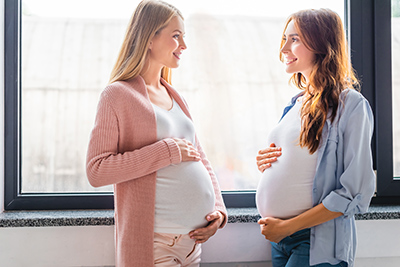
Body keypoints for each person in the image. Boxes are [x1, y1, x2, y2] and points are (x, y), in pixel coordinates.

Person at [86, 1, 227, 266]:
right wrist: (166, 152)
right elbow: (97, 170)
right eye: (176, 36)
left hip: (191, 244)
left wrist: (218, 210)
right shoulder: (117, 95)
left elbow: (201, 159)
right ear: (150, 38)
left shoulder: (175, 96)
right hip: (155, 244)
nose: (184, 45)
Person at [255, 8, 375, 267]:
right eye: (284, 39)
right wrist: (267, 163)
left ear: (321, 43)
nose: (284, 48)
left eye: (294, 39)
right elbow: (302, 166)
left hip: (315, 241)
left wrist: (288, 226)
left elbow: (354, 191)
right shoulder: (295, 104)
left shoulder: (350, 105)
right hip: (280, 240)